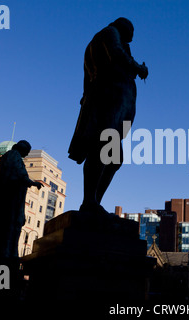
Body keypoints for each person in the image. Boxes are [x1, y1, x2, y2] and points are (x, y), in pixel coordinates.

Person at [68, 17, 148, 215]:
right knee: (103, 148)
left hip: (112, 103)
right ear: (124, 27)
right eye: (131, 33)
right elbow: (117, 53)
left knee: (114, 158)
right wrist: (138, 67)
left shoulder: (106, 38)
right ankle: (89, 201)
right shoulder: (110, 33)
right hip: (108, 100)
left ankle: (94, 202)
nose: (132, 39)